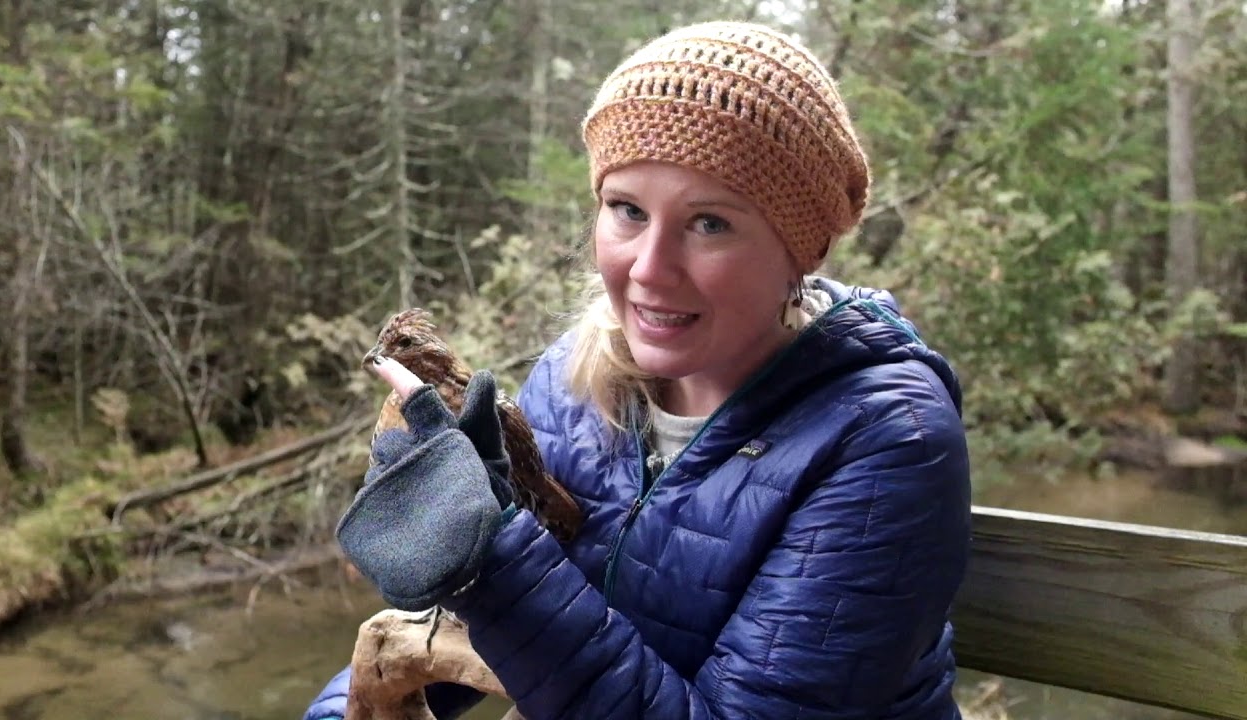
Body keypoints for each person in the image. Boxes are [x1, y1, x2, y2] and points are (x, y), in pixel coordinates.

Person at [305, 20, 971, 720]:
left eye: (710, 223)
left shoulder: (887, 439)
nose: (650, 269)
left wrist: (492, 555)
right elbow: (436, 638)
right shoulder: (573, 381)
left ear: (798, 251)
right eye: (627, 210)